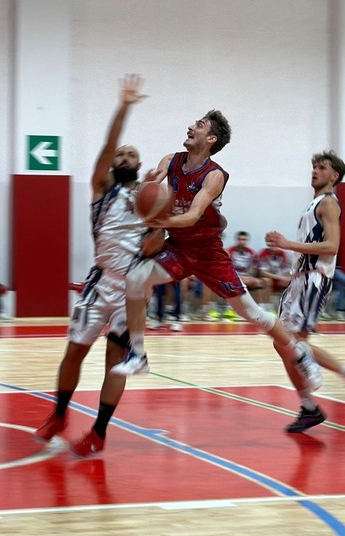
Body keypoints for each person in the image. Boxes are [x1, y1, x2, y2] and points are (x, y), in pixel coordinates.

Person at [111, 107, 323, 401]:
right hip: (179, 248)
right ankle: (137, 354)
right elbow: (150, 187)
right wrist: (145, 189)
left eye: (198, 125)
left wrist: (160, 221)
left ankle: (300, 354)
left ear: (210, 138)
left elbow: (193, 215)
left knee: (254, 314)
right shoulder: (170, 160)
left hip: (208, 253)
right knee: (136, 278)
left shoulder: (214, 176)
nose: (190, 127)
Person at [34, 75, 162, 458]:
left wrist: (159, 233)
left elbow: (158, 244)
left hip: (133, 289)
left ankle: (99, 432)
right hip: (100, 280)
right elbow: (107, 148)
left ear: (139, 165)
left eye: (130, 155)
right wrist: (123, 108)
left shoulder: (150, 199)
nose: (122, 157)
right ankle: (59, 414)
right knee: (74, 350)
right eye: (119, 155)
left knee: (115, 362)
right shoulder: (101, 189)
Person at [265, 150, 345, 432]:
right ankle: (309, 406)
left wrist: (287, 244)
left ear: (334, 176)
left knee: (294, 341)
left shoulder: (328, 203)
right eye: (314, 166)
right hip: (299, 279)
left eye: (321, 167)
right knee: (282, 343)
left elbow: (332, 246)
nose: (315, 171)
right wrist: (289, 271)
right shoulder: (313, 204)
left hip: (314, 279)